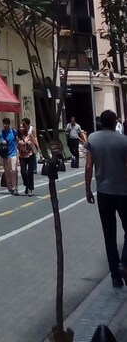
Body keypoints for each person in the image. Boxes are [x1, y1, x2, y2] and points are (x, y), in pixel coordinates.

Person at [85, 109, 127, 288]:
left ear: (101, 122)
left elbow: (88, 166)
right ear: (115, 122)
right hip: (124, 192)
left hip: (103, 192)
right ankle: (124, 263)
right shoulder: (124, 140)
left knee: (109, 235)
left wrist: (87, 189)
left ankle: (115, 277)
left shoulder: (92, 139)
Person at [0, 118, 19, 195]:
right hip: (5, 155)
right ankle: (10, 187)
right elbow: (1, 140)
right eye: (3, 124)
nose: (4, 125)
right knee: (7, 172)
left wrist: (17, 152)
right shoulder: (2, 133)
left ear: (9, 124)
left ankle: (15, 187)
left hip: (13, 154)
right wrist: (2, 141)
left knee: (13, 170)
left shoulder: (14, 132)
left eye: (6, 124)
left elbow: (17, 141)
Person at [17, 121, 35, 196]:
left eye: (22, 127)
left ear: (25, 128)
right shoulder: (17, 137)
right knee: (23, 172)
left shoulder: (29, 135)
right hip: (22, 156)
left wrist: (30, 143)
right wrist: (17, 157)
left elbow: (34, 141)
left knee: (30, 173)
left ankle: (30, 189)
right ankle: (27, 184)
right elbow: (17, 147)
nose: (21, 128)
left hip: (30, 155)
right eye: (20, 127)